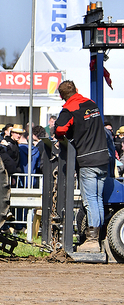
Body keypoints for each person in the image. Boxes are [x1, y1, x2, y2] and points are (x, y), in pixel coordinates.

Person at [54, 80, 110, 253]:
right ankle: (100, 238)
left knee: (90, 200)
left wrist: (64, 139)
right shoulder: (92, 104)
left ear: (62, 96)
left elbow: (60, 129)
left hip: (87, 160)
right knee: (98, 199)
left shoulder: (69, 108)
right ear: (77, 89)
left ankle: (92, 241)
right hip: (103, 157)